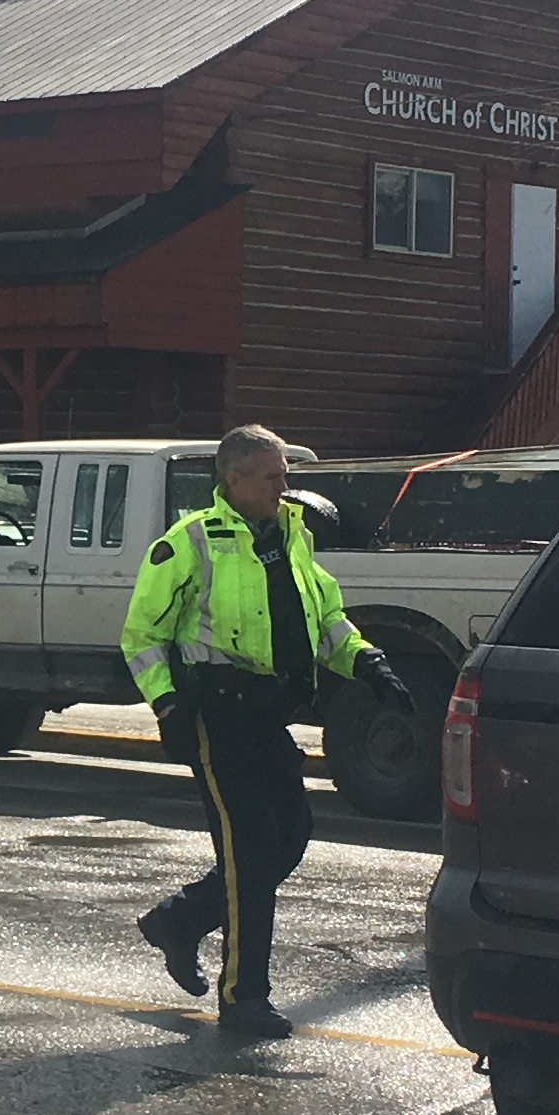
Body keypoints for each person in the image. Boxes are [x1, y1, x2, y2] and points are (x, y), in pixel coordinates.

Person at [121, 424, 402, 1045]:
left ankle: (180, 920)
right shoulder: (190, 542)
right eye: (273, 476)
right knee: (249, 853)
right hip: (215, 716)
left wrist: (367, 661)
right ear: (235, 479)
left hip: (269, 716)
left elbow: (325, 618)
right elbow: (141, 636)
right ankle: (245, 997)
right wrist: (167, 705)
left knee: (290, 839)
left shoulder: (291, 535)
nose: (284, 486)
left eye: (285, 475)